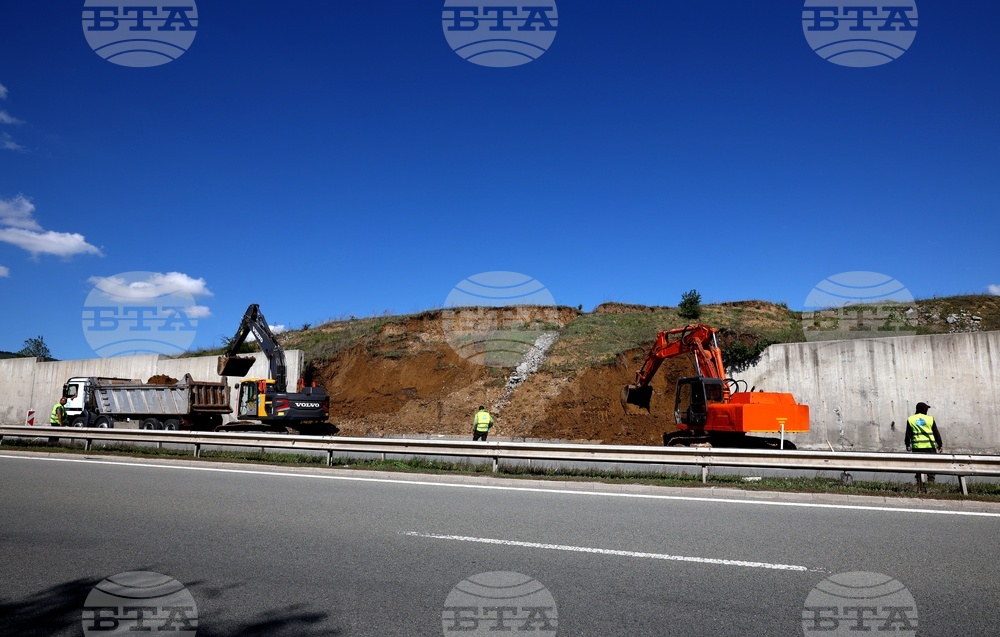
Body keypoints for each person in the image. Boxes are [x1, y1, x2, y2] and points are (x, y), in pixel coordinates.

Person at [905, 401, 943, 484]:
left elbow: (908, 434)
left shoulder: (911, 419)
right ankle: (931, 481)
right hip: (930, 446)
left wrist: (907, 445)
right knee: (931, 464)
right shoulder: (930, 419)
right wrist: (940, 444)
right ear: (924, 409)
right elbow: (936, 433)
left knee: (918, 464)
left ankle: (919, 481)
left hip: (917, 446)